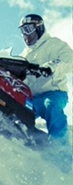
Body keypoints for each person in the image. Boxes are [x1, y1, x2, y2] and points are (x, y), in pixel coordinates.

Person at [18, 14, 73, 146]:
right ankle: (22, 138)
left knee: (51, 106)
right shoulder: (24, 55)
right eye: (22, 31)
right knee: (16, 109)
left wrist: (51, 67)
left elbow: (70, 60)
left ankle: (60, 147)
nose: (26, 35)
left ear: (39, 28)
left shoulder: (54, 44)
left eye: (28, 29)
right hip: (32, 98)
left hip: (53, 93)